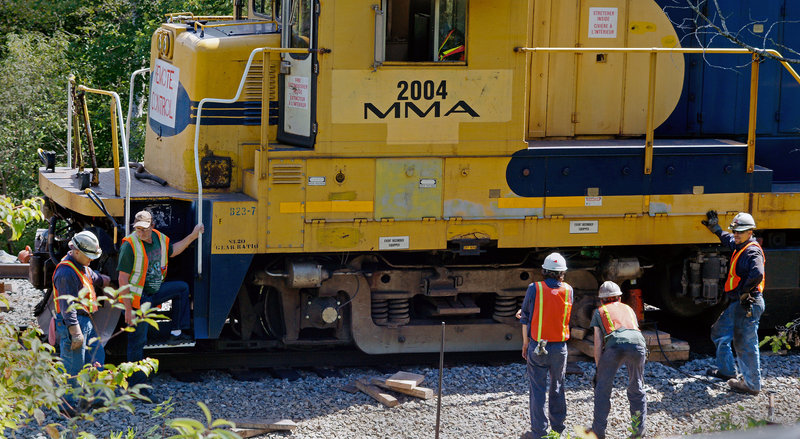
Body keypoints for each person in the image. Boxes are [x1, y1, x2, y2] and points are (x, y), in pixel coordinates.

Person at [118, 210, 204, 387]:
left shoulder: (159, 238)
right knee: (137, 342)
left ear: (152, 226)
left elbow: (173, 251)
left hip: (154, 292)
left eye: (144, 229)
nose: (141, 232)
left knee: (182, 288)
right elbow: (122, 279)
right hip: (139, 300)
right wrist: (128, 309)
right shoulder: (130, 245)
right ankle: (137, 386)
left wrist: (193, 236)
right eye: (138, 229)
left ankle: (176, 333)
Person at [702, 210, 765, 395]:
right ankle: (726, 371)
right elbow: (727, 239)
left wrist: (745, 292)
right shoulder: (739, 245)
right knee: (719, 331)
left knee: (745, 343)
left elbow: (758, 273)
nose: (736, 234)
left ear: (750, 232)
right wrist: (716, 228)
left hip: (749, 303)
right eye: (735, 231)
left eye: (740, 231)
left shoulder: (752, 251)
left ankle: (752, 385)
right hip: (740, 302)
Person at [52, 231, 111, 413]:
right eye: (89, 256)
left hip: (86, 321)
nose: (91, 260)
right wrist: (75, 332)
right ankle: (67, 405)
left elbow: (92, 277)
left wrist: (106, 281)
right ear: (76, 251)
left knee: (96, 356)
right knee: (73, 365)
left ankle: (97, 397)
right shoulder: (65, 272)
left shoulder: (81, 265)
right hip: (74, 323)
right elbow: (67, 305)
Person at [519, 253, 573, 439]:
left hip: (538, 346)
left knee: (538, 389)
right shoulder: (568, 290)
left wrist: (525, 343)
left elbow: (525, 317)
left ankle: (539, 432)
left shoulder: (534, 288)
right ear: (562, 273)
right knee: (558, 386)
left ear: (544, 271)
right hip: (560, 348)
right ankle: (558, 430)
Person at [589, 281, 647, 439]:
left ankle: (598, 432)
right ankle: (638, 431)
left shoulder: (599, 311)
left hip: (615, 346)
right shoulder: (629, 309)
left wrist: (599, 370)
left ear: (602, 300)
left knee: (603, 390)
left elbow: (598, 343)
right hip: (638, 345)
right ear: (619, 298)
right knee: (637, 386)